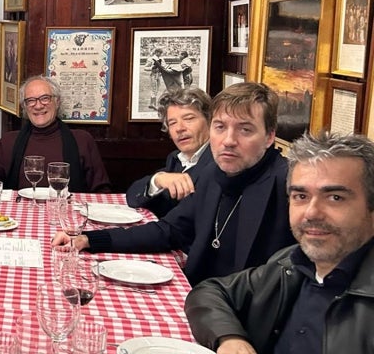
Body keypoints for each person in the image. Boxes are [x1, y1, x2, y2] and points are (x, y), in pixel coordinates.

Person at [52, 82, 296, 285]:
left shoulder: (290, 186)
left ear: (270, 136)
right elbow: (168, 231)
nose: (228, 140)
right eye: (220, 127)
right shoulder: (213, 174)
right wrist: (88, 240)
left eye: (245, 130)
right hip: (203, 300)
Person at [185, 131, 374, 354]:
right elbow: (210, 292)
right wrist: (230, 338)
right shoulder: (290, 265)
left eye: (335, 198)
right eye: (300, 196)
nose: (312, 213)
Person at [0, 75, 110, 192]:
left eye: (45, 98)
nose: (38, 106)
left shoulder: (82, 140)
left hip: (66, 212)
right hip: (21, 213)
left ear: (57, 102)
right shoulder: (8, 141)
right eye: (31, 100)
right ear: (24, 107)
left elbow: (101, 189)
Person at [126, 88, 214, 217]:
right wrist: (157, 180)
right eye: (172, 123)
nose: (179, 128)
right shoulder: (176, 158)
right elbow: (133, 196)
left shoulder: (218, 162)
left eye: (188, 119)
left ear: (210, 121)